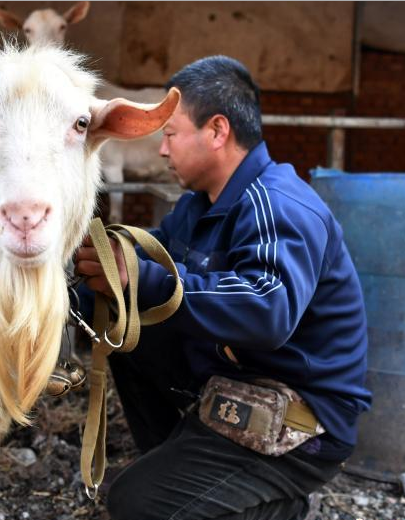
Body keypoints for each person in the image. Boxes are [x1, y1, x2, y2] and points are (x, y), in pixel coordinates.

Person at [73, 55, 371, 520]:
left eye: (170, 134)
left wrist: (144, 278)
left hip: (300, 419)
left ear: (216, 131)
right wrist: (73, 291)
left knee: (134, 504)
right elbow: (139, 281)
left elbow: (266, 311)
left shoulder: (278, 204)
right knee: (128, 325)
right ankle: (181, 469)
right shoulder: (197, 207)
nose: (163, 151)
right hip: (232, 386)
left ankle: (276, 505)